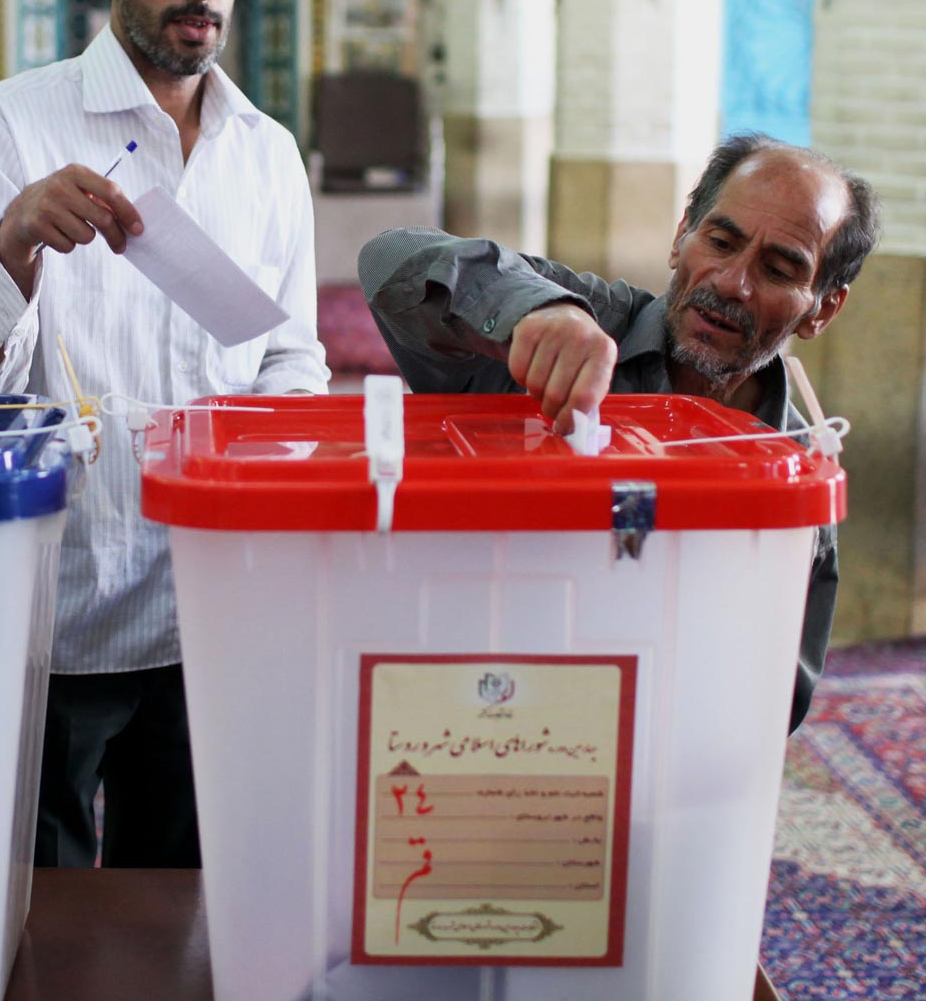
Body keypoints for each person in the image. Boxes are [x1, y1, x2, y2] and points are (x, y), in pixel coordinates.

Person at [0, 0, 328, 868]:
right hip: (53, 600)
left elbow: (289, 359)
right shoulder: (8, 123)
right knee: (38, 903)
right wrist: (12, 245)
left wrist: (257, 476)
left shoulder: (266, 152)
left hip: (207, 599)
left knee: (180, 906)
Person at [358, 133, 879, 731]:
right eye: (721, 241)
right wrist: (532, 313)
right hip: (474, 718)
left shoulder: (796, 471)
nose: (733, 282)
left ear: (821, 309)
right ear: (680, 236)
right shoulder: (575, 323)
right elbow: (388, 258)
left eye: (779, 270)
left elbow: (776, 696)